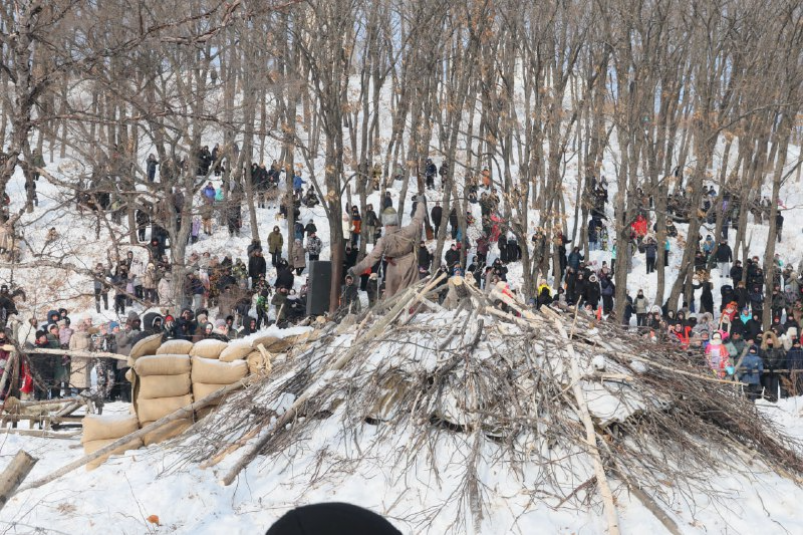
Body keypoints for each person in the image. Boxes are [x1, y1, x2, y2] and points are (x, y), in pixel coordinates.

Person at [348, 196, 427, 299]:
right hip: (410, 266)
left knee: (392, 299)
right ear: (396, 220)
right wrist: (420, 203)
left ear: (385, 224)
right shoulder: (407, 232)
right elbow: (418, 220)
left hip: (393, 269)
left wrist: (355, 270)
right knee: (412, 296)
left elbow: (371, 258)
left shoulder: (383, 241)